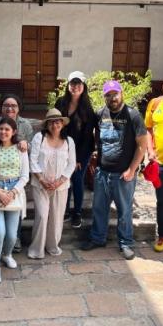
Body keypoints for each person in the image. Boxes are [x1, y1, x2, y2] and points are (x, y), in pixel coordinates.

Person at [81, 80, 147, 260]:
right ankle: (98, 238)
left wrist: (132, 170)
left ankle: (125, 242)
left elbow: (142, 145)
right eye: (108, 95)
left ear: (121, 93)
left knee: (124, 210)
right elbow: (96, 133)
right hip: (102, 172)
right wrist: (96, 153)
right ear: (104, 97)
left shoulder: (133, 115)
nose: (112, 98)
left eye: (115, 94)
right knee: (99, 208)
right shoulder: (101, 113)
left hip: (123, 174)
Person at [0, 117, 29, 284]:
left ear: (14, 132)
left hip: (14, 193)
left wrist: (11, 193)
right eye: (0, 129)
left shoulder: (21, 148)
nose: (3, 132)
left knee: (11, 235)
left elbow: (25, 176)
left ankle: (7, 255)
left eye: (7, 129)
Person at [0, 93, 34, 252]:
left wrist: (25, 143)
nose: (10, 108)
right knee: (0, 212)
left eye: (13, 106)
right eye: (6, 105)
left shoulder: (25, 125)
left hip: (17, 170)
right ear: (1, 108)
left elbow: (31, 146)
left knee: (15, 205)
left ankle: (15, 238)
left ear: (19, 108)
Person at [28, 109, 75, 259]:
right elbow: (32, 160)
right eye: (52, 122)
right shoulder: (39, 138)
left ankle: (52, 246)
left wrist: (60, 181)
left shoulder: (69, 141)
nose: (55, 124)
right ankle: (37, 249)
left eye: (58, 121)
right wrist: (42, 179)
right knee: (42, 216)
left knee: (56, 217)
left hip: (60, 186)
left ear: (62, 123)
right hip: (40, 184)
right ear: (47, 124)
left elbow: (71, 164)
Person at [55, 71, 97, 229]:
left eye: (78, 84)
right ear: (68, 85)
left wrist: (78, 158)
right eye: (73, 83)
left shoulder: (87, 107)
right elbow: (54, 124)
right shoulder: (61, 103)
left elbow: (87, 135)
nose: (75, 87)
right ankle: (64, 210)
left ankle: (77, 212)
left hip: (82, 150)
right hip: (63, 148)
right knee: (65, 178)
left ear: (83, 86)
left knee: (77, 179)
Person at [145, 91, 163, 251]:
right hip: (160, 163)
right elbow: (148, 129)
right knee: (162, 201)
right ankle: (162, 236)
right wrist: (150, 150)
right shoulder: (155, 104)